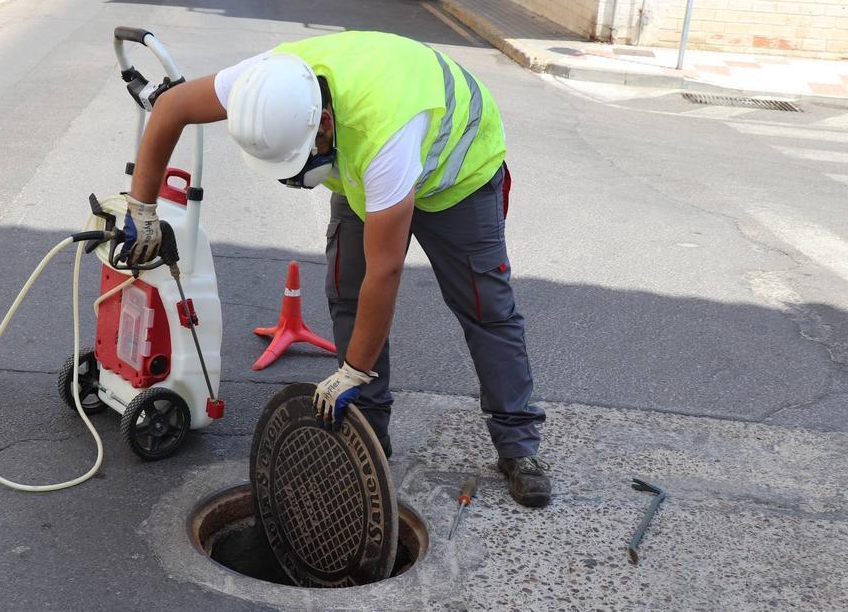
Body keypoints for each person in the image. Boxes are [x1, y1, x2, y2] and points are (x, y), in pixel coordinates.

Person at [120, 31, 551, 507]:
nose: (295, 179)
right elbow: (171, 108)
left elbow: (384, 273)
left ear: (322, 123)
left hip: (457, 176)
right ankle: (369, 433)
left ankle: (518, 448)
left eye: (300, 163)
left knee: (485, 308)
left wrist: (353, 371)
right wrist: (142, 209)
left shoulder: (383, 136)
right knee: (346, 293)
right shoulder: (266, 84)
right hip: (365, 166)